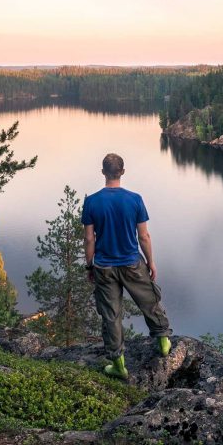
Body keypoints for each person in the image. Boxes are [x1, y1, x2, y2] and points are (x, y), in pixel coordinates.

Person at [82, 153, 172, 379]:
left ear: (103, 172)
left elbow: (89, 239)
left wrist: (89, 265)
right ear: (122, 172)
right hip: (132, 262)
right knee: (149, 301)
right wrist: (150, 262)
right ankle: (163, 341)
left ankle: (118, 364)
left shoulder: (91, 202)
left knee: (111, 315)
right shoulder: (135, 199)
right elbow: (144, 237)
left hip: (104, 266)